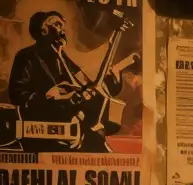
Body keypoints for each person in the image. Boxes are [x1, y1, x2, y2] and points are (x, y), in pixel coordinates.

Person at [8, 10, 138, 151]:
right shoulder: (26, 56)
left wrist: (113, 78)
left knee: (99, 144)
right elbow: (17, 94)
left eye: (63, 25)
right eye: (57, 24)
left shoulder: (63, 58)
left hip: (74, 128)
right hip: (45, 131)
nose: (62, 30)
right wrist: (47, 96)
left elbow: (87, 86)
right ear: (43, 30)